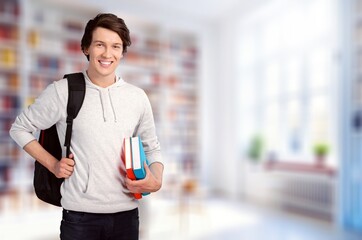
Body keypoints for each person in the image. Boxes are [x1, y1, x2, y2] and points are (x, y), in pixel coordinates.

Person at [9, 13, 163, 240]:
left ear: (122, 52)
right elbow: (19, 128)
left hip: (128, 216)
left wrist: (157, 180)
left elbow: (152, 147)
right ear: (86, 48)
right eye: (100, 44)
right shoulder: (63, 91)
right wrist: (53, 164)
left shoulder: (137, 97)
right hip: (79, 219)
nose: (107, 54)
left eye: (115, 46)